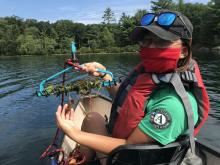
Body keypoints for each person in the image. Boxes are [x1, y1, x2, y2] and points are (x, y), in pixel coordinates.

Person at [55, 10, 210, 164]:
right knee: (91, 118)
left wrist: (73, 133)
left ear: (183, 51)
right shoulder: (150, 75)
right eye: (146, 41)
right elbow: (126, 99)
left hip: (131, 157)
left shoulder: (174, 104)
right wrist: (104, 74)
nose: (150, 47)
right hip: (126, 148)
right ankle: (80, 160)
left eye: (161, 41)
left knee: (87, 127)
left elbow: (129, 147)